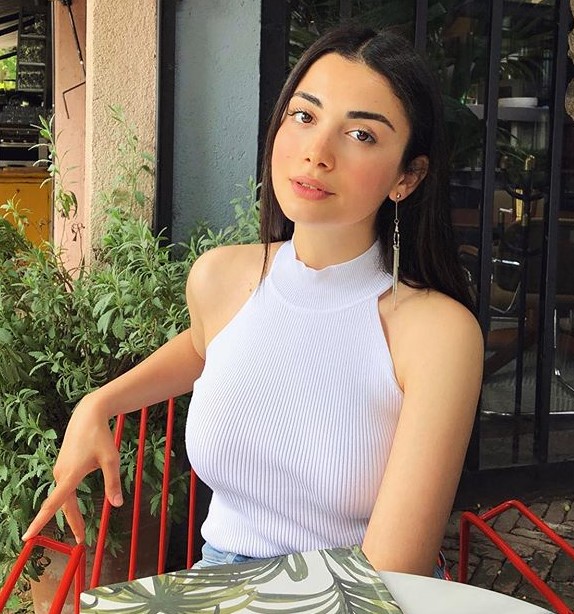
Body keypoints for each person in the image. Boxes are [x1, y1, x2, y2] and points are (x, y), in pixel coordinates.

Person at [22, 24, 483, 577]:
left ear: (407, 176)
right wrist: (98, 403)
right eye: (304, 116)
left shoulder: (436, 334)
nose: (316, 153)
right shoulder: (224, 277)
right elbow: (206, 346)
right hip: (216, 579)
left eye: (361, 134)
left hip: (355, 596)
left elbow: (391, 571)